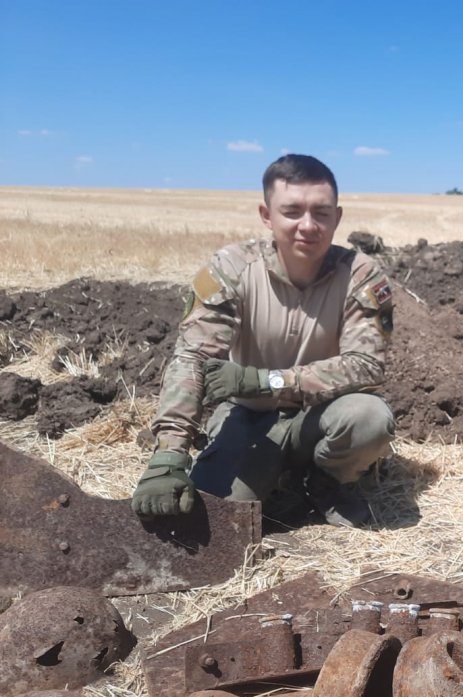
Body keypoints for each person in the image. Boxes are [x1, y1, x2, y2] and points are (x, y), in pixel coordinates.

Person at [131, 154, 396, 528]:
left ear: (337, 217)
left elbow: (366, 364)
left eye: (321, 213)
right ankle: (262, 469)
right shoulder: (232, 269)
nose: (308, 226)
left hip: (321, 417)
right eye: (292, 212)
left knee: (369, 417)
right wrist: (169, 453)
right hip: (249, 416)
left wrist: (270, 380)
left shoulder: (361, 275)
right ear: (266, 215)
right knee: (219, 514)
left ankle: (327, 481)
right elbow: (192, 357)